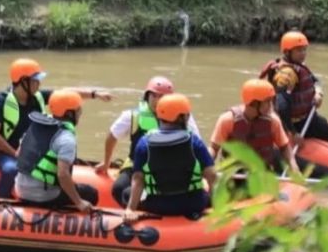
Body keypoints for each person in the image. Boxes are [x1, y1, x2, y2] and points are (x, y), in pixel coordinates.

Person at [0, 59, 111, 198]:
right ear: (23, 81)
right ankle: (3, 200)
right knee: (11, 170)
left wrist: (94, 94)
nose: (39, 83)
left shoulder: (37, 97)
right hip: (7, 152)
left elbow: (65, 94)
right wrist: (15, 154)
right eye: (35, 80)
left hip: (32, 150)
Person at [95, 75, 203, 205]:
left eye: (161, 97)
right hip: (136, 164)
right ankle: (139, 213)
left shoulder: (184, 118)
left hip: (168, 167)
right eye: (154, 96)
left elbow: (197, 143)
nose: (157, 101)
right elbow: (112, 136)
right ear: (147, 97)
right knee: (119, 189)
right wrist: (106, 162)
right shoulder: (132, 116)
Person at [124, 93, 217, 221]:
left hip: (158, 206)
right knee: (205, 194)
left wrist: (130, 210)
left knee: (125, 193)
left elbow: (138, 180)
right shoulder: (194, 142)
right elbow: (212, 176)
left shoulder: (144, 143)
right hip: (192, 204)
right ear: (181, 118)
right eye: (186, 115)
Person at [15, 89, 99, 211]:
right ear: (70, 114)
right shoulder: (66, 138)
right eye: (78, 110)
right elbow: (62, 174)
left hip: (21, 190)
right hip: (45, 196)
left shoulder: (35, 125)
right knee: (91, 193)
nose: (80, 112)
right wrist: (79, 202)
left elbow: (19, 154)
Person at [259, 31, 328, 145]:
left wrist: (318, 93)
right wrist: (293, 132)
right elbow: (281, 106)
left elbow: (316, 81)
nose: (303, 53)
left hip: (308, 117)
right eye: (299, 50)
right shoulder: (286, 74)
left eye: (304, 49)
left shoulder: (299, 66)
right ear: (287, 52)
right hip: (297, 123)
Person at [208, 78, 298, 174]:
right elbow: (214, 148)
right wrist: (207, 168)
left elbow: (284, 147)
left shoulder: (273, 121)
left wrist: (294, 167)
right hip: (233, 175)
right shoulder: (227, 120)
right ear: (254, 103)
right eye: (267, 101)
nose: (271, 105)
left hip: (261, 174)